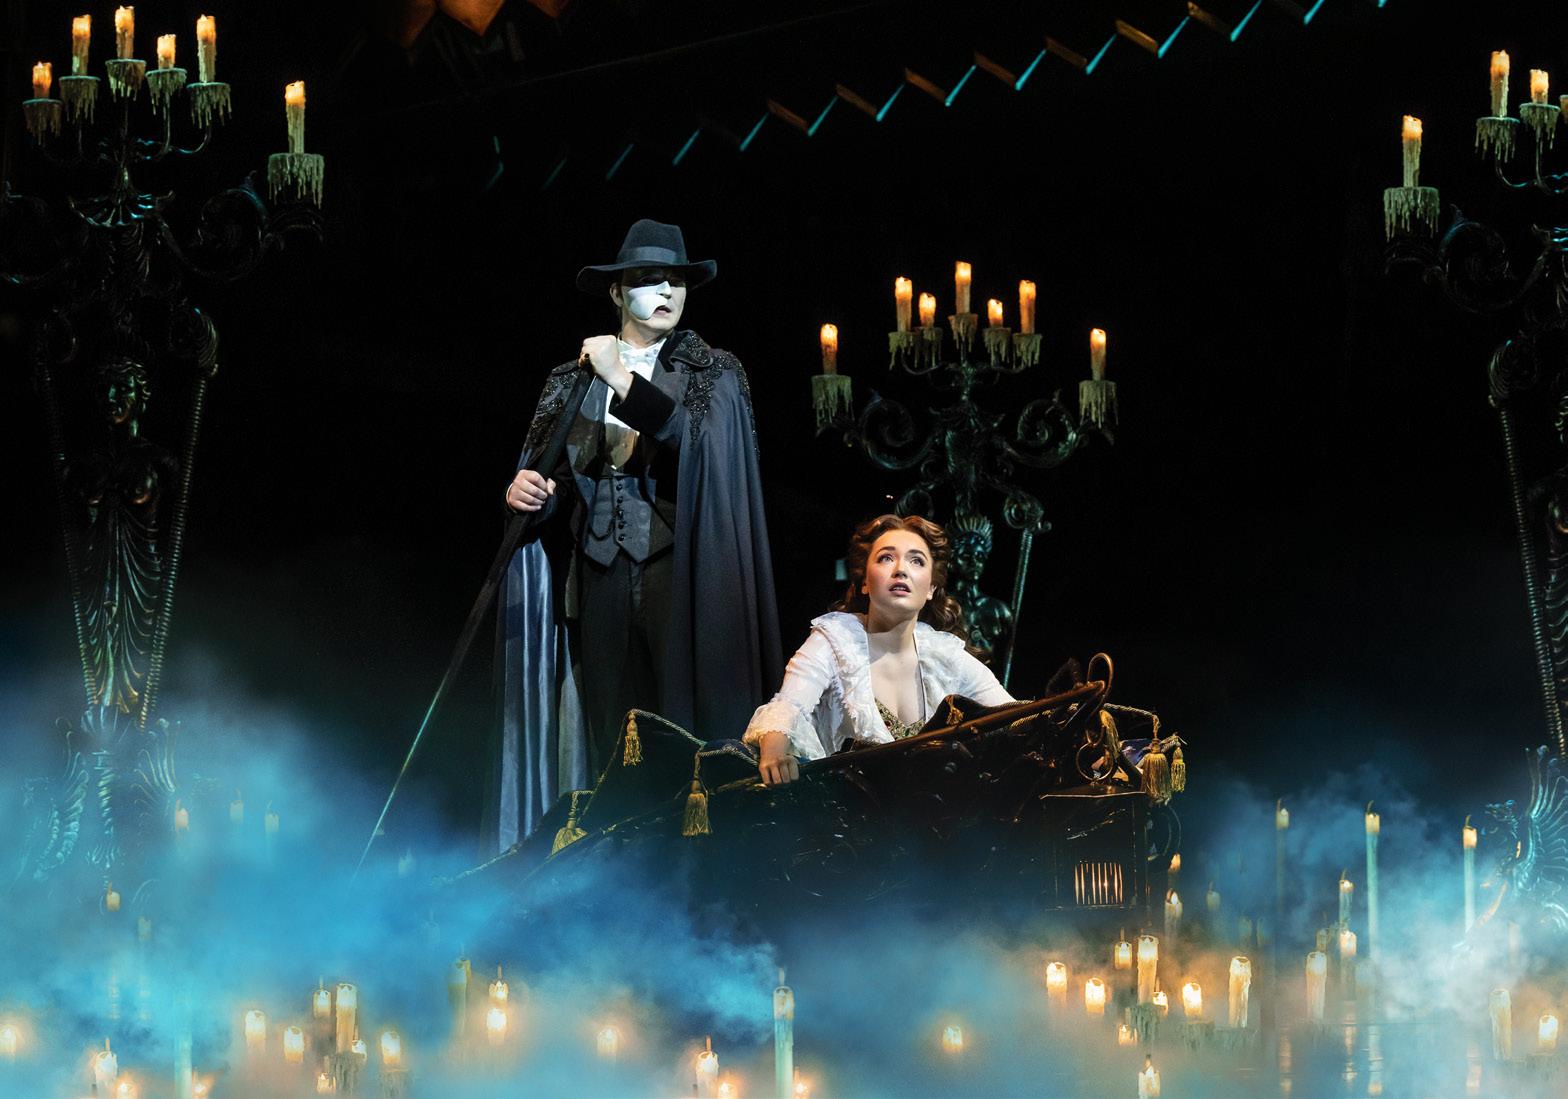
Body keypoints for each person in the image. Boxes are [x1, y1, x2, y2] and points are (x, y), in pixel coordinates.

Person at [486, 219, 782, 850]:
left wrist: (621, 378)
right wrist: (527, 495)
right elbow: (552, 477)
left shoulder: (712, 371)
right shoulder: (570, 379)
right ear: (618, 293)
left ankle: (699, 860)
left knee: (684, 724)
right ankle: (620, 865)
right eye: (650, 280)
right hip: (600, 573)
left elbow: (702, 448)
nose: (667, 292)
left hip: (683, 571)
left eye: (676, 280)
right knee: (612, 733)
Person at [744, 514, 1014, 785]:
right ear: (865, 582)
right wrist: (775, 752)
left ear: (931, 588)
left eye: (916, 561)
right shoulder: (836, 638)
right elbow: (790, 705)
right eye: (886, 558)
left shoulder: (944, 653)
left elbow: (1012, 714)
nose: (900, 569)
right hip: (848, 805)